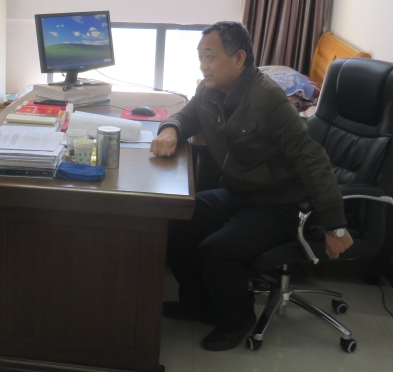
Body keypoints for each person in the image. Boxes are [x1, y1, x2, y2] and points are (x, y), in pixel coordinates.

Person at [150, 21, 352, 351]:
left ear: (239, 58)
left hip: (279, 203)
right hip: (239, 193)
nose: (203, 66)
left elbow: (312, 159)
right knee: (178, 218)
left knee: (217, 251)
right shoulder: (209, 90)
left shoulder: (268, 99)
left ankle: (238, 319)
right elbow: (186, 116)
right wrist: (170, 130)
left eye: (210, 57)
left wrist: (335, 225)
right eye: (200, 57)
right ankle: (197, 303)